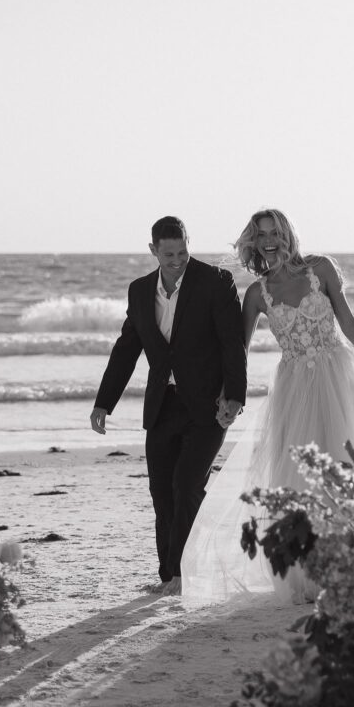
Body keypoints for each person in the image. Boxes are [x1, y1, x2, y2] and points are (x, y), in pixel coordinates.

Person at [181, 208, 354, 605]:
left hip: (338, 380)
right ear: (254, 241)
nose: (268, 240)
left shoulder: (321, 269)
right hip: (294, 391)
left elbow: (349, 324)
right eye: (260, 235)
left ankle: (353, 569)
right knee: (297, 482)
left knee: (345, 474)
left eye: (274, 231)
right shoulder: (257, 294)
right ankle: (308, 574)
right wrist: (228, 396)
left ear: (287, 233)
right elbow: (236, 354)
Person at [90, 216, 247, 594]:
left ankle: (183, 574)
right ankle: (169, 575)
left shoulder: (215, 282)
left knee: (187, 485)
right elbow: (127, 348)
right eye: (169, 254)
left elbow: (232, 344)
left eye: (182, 251)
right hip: (163, 406)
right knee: (162, 493)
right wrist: (104, 403)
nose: (177, 260)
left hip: (209, 407)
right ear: (153, 251)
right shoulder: (140, 290)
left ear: (188, 245)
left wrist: (235, 397)